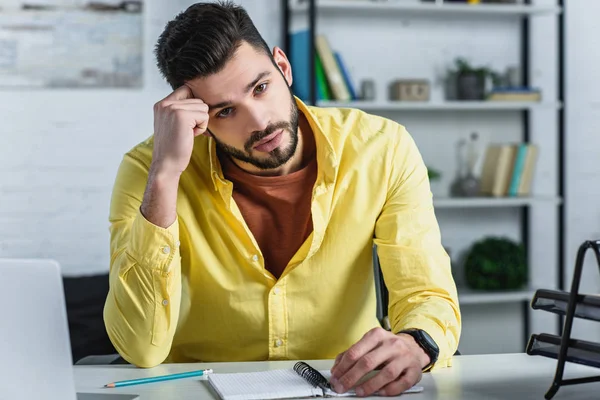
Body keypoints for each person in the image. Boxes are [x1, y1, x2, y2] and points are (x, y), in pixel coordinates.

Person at [104, 1, 461, 397]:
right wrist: (166, 176)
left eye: (260, 88)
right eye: (225, 112)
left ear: (283, 67)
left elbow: (424, 291)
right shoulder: (149, 171)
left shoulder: (382, 149)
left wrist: (416, 343)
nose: (258, 122)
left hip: (341, 388)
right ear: (198, 120)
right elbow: (140, 346)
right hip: (200, 392)